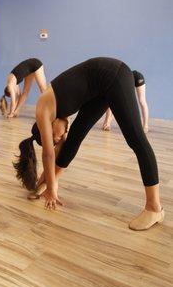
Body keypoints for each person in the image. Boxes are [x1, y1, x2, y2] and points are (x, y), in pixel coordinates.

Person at [13, 57, 164, 231]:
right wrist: (48, 180)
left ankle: (154, 208)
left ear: (48, 126)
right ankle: (48, 183)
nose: (59, 139)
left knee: (136, 139)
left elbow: (49, 154)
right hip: (99, 89)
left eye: (54, 138)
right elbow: (63, 147)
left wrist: (52, 190)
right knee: (74, 138)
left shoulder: (43, 110)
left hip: (114, 75)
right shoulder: (56, 116)